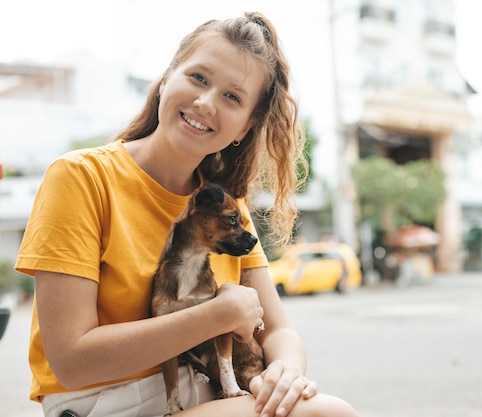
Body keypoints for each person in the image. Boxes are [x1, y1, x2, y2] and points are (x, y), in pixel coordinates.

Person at [15, 11, 359, 417]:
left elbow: (278, 329)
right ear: (166, 78)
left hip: (213, 393)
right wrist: (217, 315)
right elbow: (71, 362)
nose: (205, 102)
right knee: (328, 413)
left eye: (232, 97)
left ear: (245, 128)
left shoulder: (228, 207)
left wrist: (285, 373)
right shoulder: (81, 178)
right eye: (198, 78)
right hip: (106, 403)